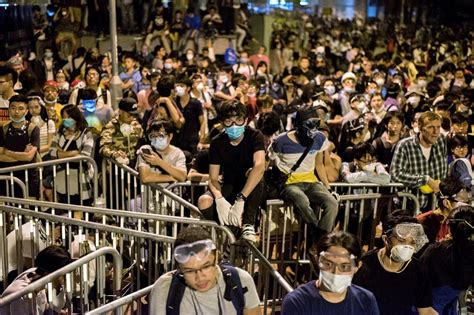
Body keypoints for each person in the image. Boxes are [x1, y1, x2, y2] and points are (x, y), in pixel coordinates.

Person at [149, 226, 260, 314]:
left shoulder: (241, 281)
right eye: (189, 271)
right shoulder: (164, 289)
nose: (200, 277)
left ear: (217, 258)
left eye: (206, 267)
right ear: (179, 268)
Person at [269, 107, 338, 246]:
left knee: (332, 202)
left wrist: (328, 188)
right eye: (310, 124)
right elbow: (270, 162)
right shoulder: (280, 141)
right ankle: (320, 238)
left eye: (316, 123)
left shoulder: (319, 138)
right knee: (302, 199)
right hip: (289, 183)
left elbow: (319, 164)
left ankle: (320, 239)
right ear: (299, 124)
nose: (314, 128)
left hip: (311, 182)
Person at [197, 101, 265, 242]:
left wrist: (241, 199)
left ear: (245, 121)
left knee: (254, 173)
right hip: (229, 183)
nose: (234, 126)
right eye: (229, 121)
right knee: (204, 201)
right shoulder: (217, 142)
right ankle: (233, 229)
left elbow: (259, 167)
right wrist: (219, 198)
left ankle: (248, 223)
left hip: (251, 186)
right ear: (222, 123)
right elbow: (213, 178)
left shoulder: (255, 136)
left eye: (239, 120)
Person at [352, 210, 437, 315]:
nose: (407, 246)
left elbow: (425, 309)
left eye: (412, 242)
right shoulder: (365, 265)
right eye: (401, 241)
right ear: (385, 239)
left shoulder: (418, 270)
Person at [282, 231, 380, 315]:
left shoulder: (366, 300)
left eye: (344, 266)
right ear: (317, 261)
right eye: (328, 264)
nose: (335, 272)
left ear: (357, 267)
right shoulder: (297, 302)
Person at [420, 205, 474, 315]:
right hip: (453, 307)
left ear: (449, 227)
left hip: (428, 307)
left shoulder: (433, 251)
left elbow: (419, 279)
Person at [390, 111, 448, 211]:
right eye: (431, 127)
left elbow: (444, 172)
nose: (436, 132)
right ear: (420, 128)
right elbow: (395, 175)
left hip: (436, 206)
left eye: (438, 127)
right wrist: (425, 180)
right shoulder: (404, 145)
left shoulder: (441, 140)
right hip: (409, 207)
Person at [0, 245, 73, 315]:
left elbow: (39, 305)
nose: (66, 278)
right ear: (50, 273)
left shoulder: (38, 275)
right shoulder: (21, 294)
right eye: (64, 274)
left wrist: (58, 311)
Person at [49, 104, 95, 210]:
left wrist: (60, 154)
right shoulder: (59, 133)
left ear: (76, 117)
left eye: (68, 117)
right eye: (63, 117)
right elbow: (52, 153)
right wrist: (74, 153)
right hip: (61, 179)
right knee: (64, 211)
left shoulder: (86, 133)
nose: (65, 120)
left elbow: (84, 156)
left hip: (80, 178)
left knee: (81, 210)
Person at [0, 94, 40, 199]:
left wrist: (6, 152)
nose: (16, 112)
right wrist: (21, 157)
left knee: (29, 212)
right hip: (6, 178)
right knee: (9, 211)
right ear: (8, 110)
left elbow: (29, 157)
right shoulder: (3, 129)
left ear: (26, 111)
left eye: (21, 108)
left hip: (28, 178)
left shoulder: (33, 129)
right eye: (13, 108)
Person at [417, 176, 470, 243]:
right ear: (446, 203)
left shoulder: (462, 223)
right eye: (462, 202)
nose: (465, 206)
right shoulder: (423, 223)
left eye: (467, 202)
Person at [136, 119, 187, 185]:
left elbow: (182, 177)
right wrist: (171, 177)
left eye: (160, 136)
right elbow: (146, 177)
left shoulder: (178, 153)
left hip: (171, 194)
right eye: (153, 136)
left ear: (170, 136)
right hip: (150, 194)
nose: (156, 139)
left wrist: (159, 162)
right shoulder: (146, 150)